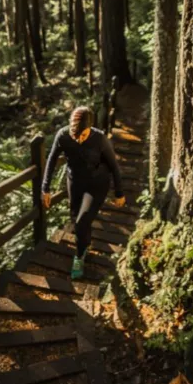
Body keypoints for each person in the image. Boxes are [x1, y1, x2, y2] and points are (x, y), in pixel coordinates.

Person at [41, 106, 126, 280]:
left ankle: (79, 257)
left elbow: (114, 166)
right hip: (75, 183)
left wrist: (119, 192)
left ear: (90, 128)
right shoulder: (63, 136)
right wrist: (45, 188)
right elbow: (51, 160)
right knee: (76, 221)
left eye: (84, 135)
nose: (79, 139)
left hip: (97, 184)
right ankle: (84, 245)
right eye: (76, 135)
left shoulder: (100, 139)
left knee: (81, 222)